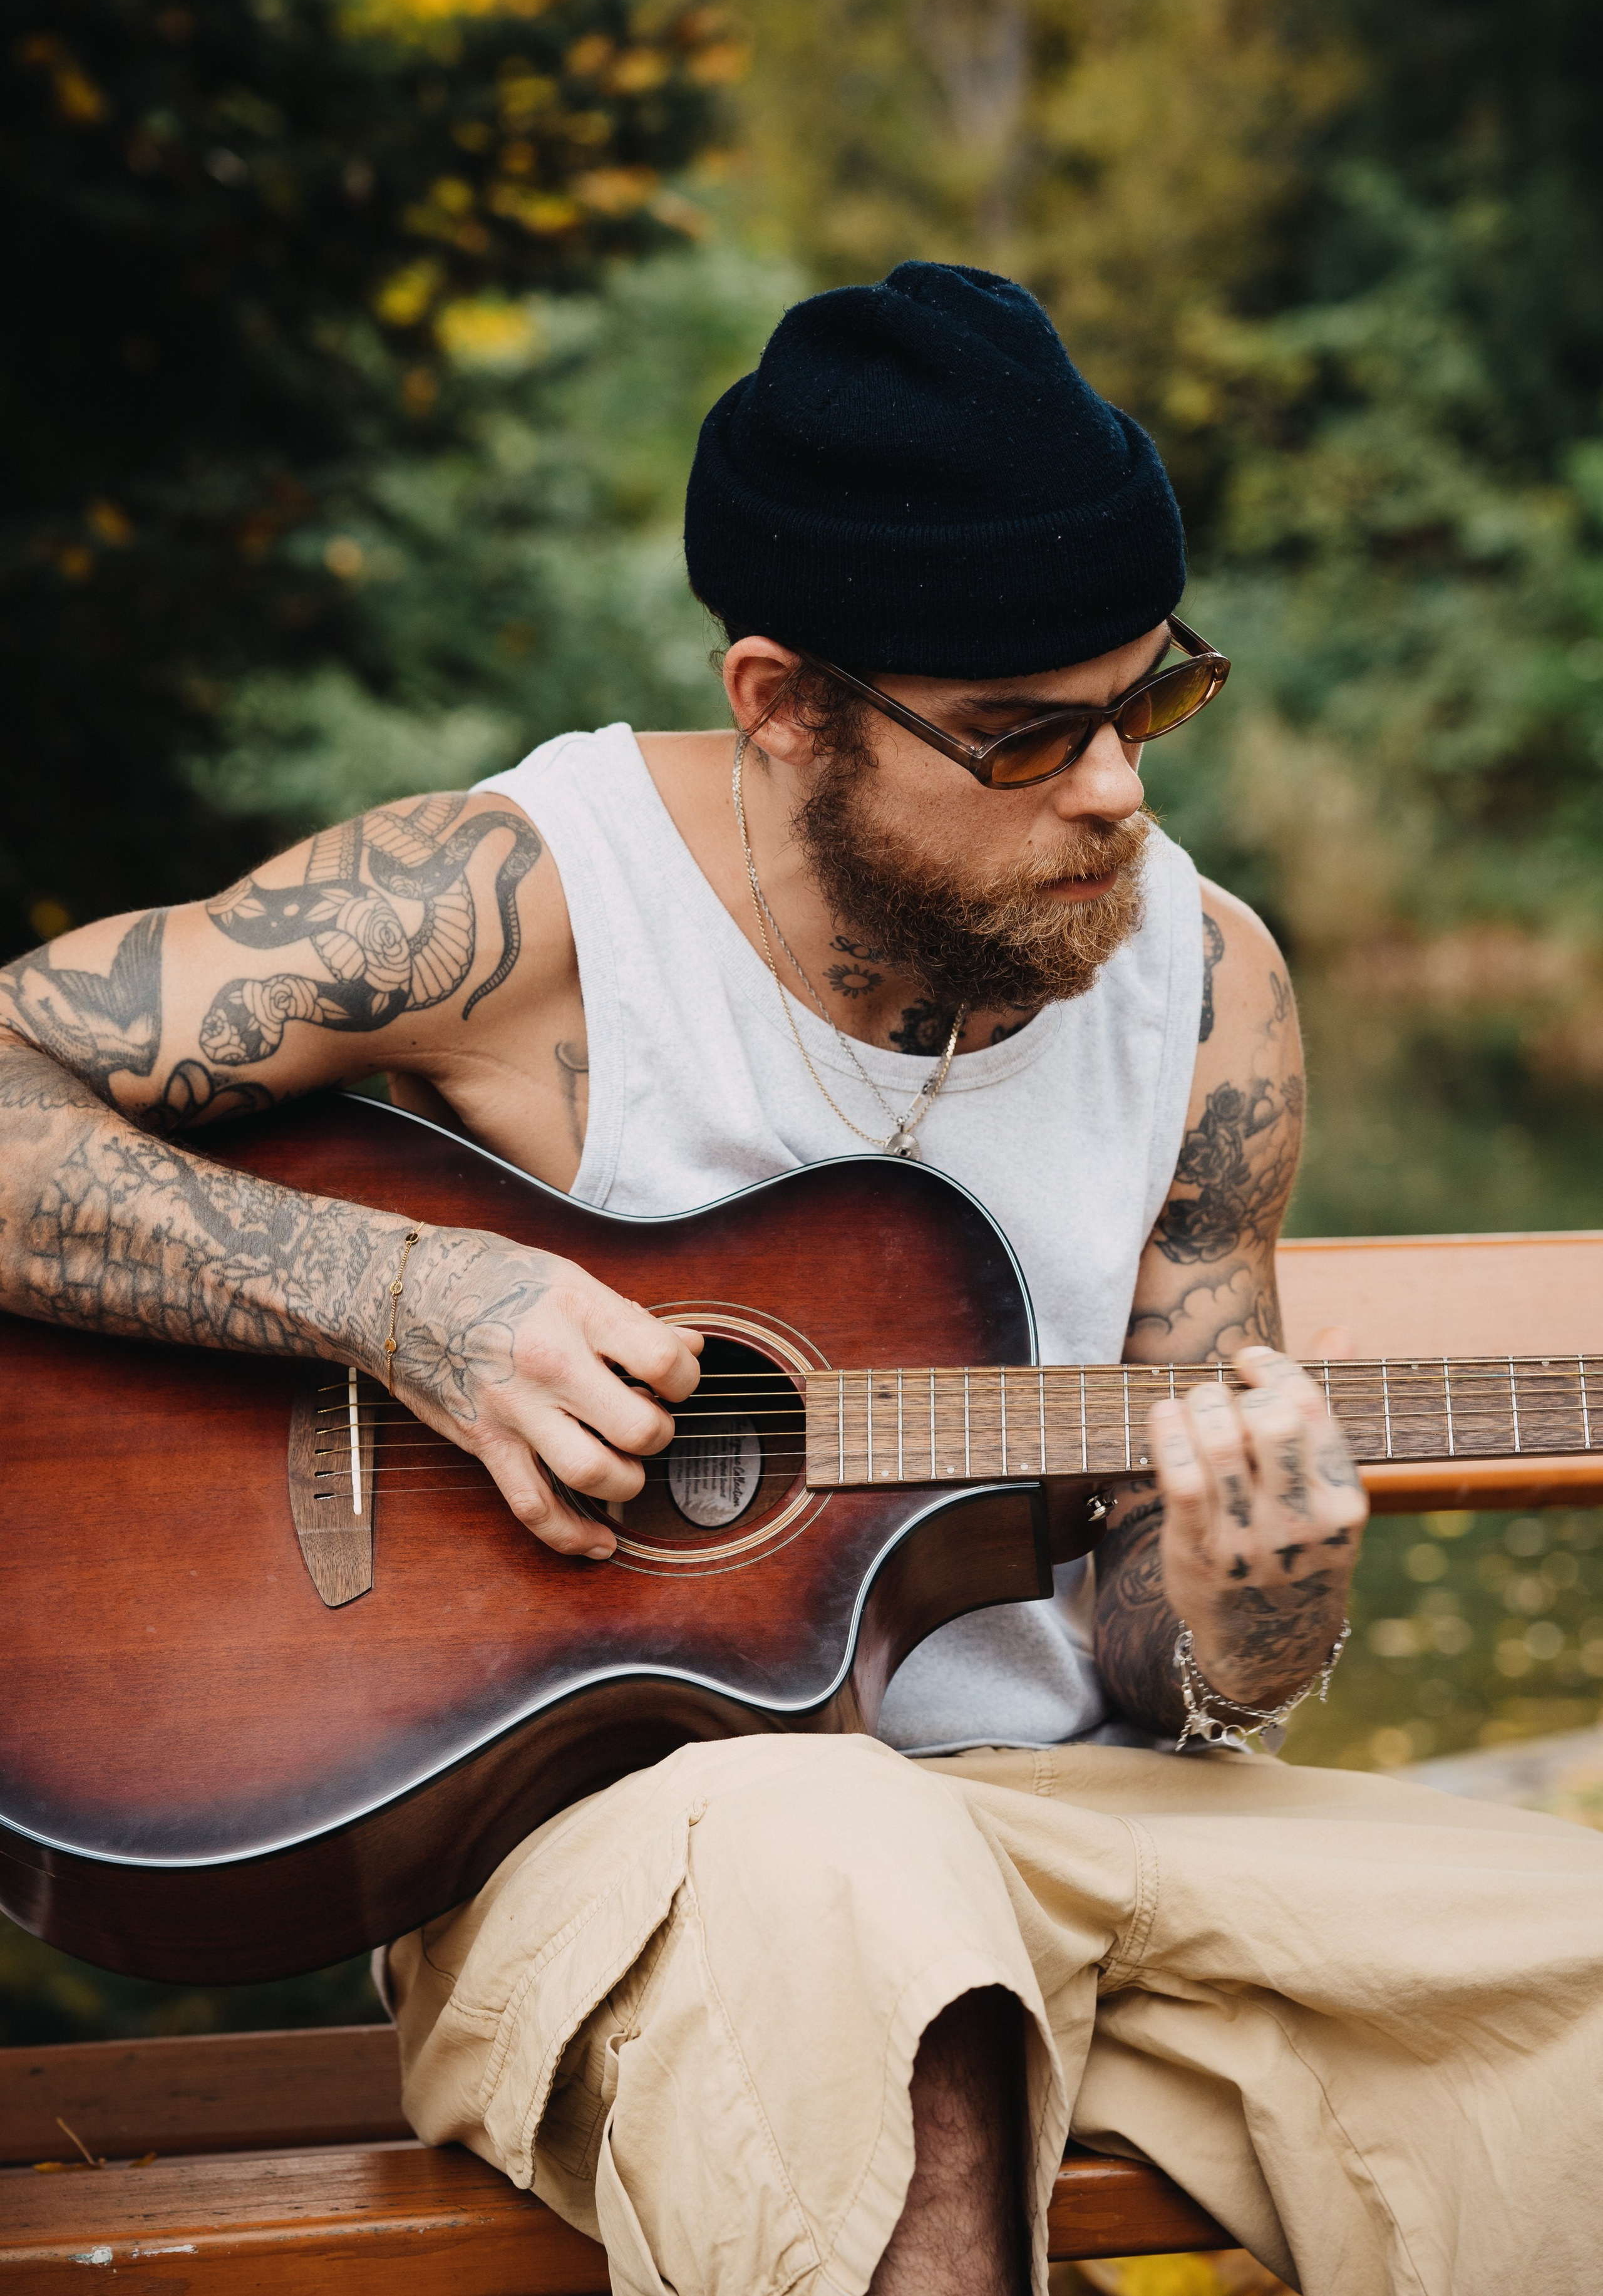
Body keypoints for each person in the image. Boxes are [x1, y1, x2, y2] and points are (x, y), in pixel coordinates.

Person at [1, 262, 1597, 2296]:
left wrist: (1243, 1614)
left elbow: (1151, 1655)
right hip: (645, 1853)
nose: (1118, 788)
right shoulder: (520, 903)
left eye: (1152, 698)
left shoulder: (1212, 991)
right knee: (856, 1893)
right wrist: (406, 1297)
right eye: (1027, 737)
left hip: (1086, 1830)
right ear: (782, 702)